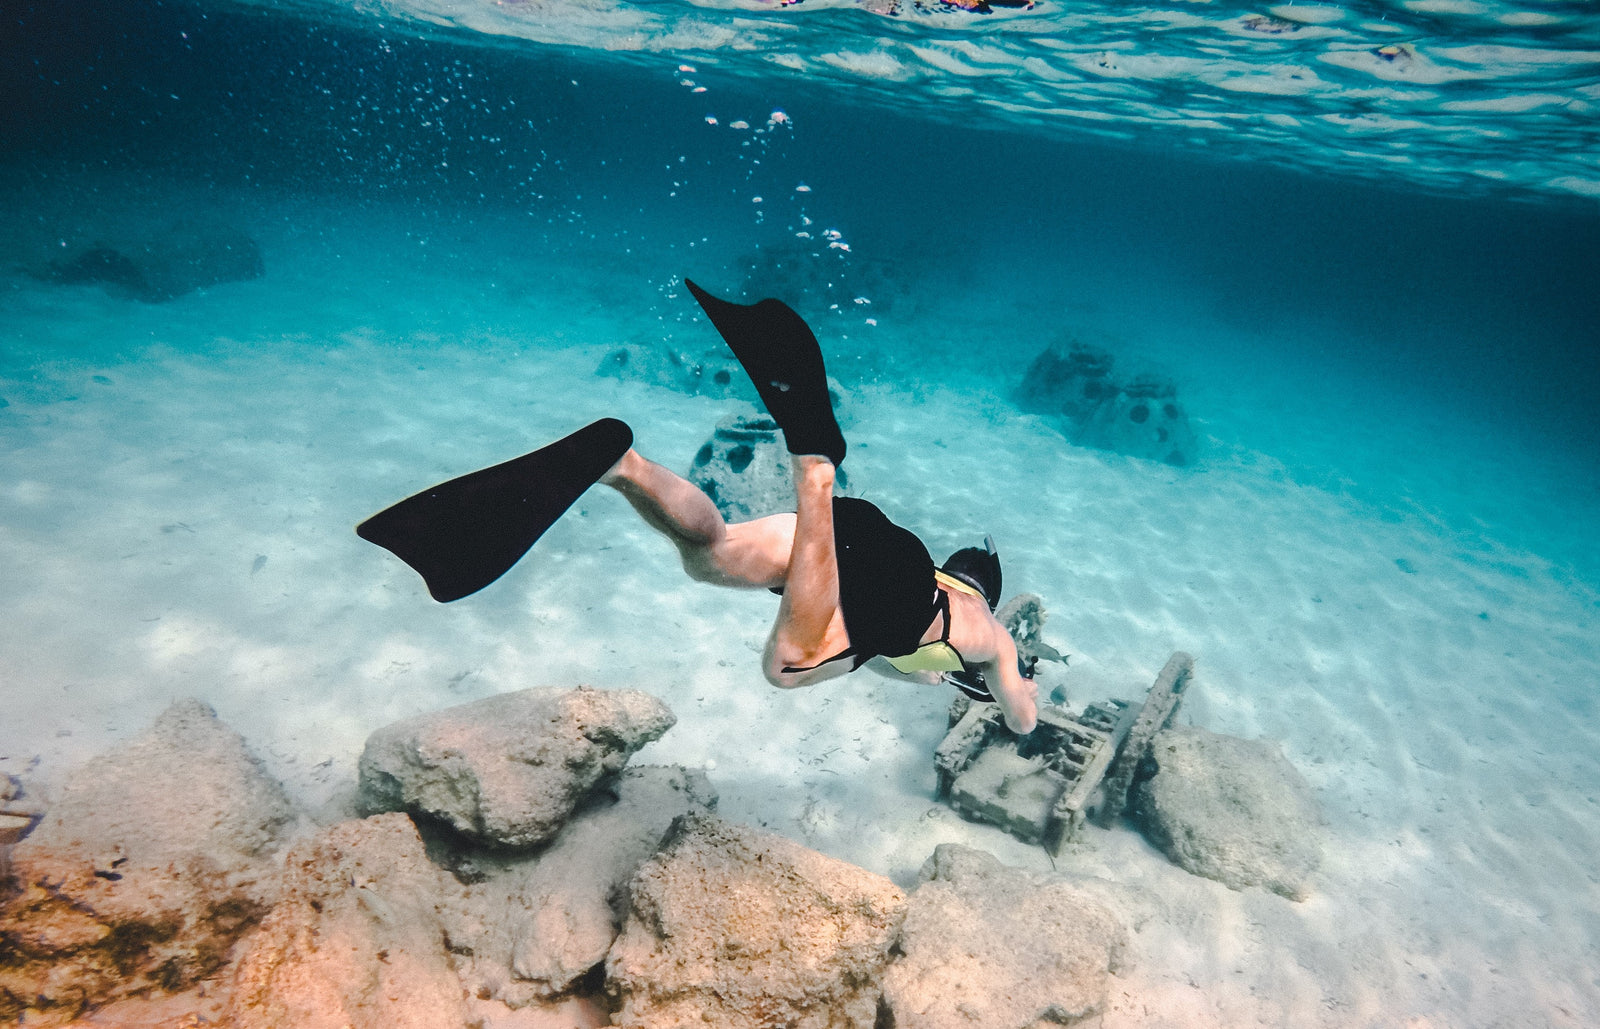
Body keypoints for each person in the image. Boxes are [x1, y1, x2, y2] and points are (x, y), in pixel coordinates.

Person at [357, 280, 1038, 735]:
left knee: (709, 559)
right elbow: (1023, 716)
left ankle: (622, 466)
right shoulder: (987, 637)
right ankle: (815, 468)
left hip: (875, 537)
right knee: (786, 666)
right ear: (986, 593)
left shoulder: (949, 588)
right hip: (890, 594)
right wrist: (1018, 695)